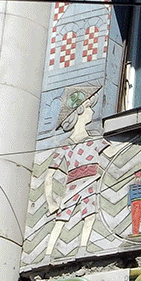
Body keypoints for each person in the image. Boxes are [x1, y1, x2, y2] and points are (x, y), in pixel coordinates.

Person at [44, 86, 108, 257]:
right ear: (78, 112)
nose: (92, 111)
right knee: (61, 220)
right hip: (72, 187)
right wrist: (51, 202)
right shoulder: (66, 145)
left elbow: (112, 153)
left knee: (90, 217)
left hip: (90, 183)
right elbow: (49, 175)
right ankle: (48, 254)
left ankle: (82, 249)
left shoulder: (95, 138)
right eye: (88, 107)